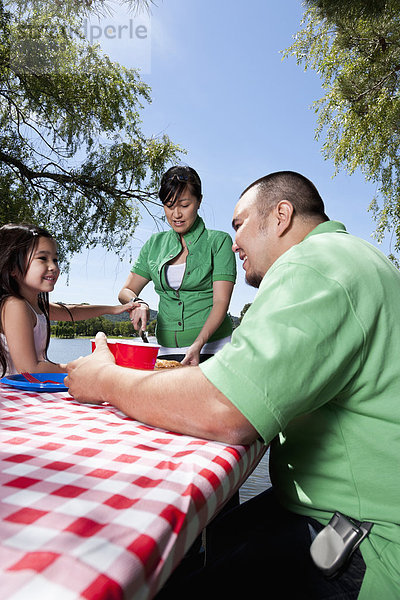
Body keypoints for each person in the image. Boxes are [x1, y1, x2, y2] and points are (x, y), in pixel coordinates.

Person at [66, 171, 400, 599]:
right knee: (204, 542)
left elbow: (226, 408)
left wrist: (106, 380)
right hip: (331, 508)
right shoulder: (352, 257)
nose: (234, 240)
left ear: (281, 216)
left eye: (240, 224)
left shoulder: (314, 265)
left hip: (365, 542)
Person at [118, 165, 236, 365]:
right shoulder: (154, 245)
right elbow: (126, 291)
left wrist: (198, 344)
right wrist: (139, 302)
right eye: (169, 205)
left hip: (213, 347)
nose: (176, 214)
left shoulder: (219, 242)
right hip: (165, 348)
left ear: (199, 201)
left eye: (184, 204)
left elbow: (220, 302)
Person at [0, 223, 135, 376]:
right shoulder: (14, 305)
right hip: (12, 394)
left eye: (55, 260)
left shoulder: (34, 305)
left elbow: (72, 312)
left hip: (30, 387)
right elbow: (29, 369)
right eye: (43, 258)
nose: (53, 267)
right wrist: (78, 366)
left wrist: (113, 309)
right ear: (12, 268)